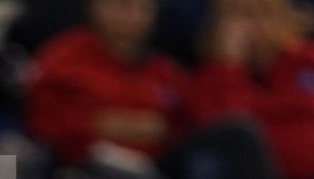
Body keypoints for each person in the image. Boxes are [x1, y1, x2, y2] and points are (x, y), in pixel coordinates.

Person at [189, 0, 314, 179]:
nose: (255, 25)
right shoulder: (210, 76)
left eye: (265, 13)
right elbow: (220, 131)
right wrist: (228, 67)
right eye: (239, 15)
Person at [24, 0, 198, 167]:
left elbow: (191, 128)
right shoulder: (60, 61)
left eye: (144, 7)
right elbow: (40, 124)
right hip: (78, 175)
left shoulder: (166, 71)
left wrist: (164, 130)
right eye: (123, 5)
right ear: (96, 6)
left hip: (157, 177)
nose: (134, 16)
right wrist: (93, 126)